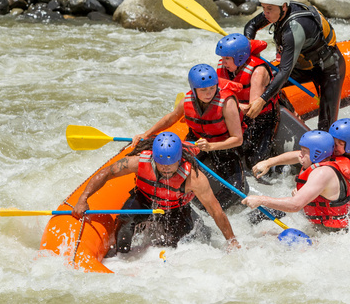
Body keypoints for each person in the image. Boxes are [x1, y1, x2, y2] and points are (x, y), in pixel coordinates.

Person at [72, 132, 240, 254]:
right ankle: (122, 258)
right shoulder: (139, 162)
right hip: (144, 199)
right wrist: (83, 198)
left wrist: (231, 240)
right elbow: (106, 173)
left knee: (177, 245)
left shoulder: (194, 178)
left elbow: (215, 210)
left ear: (180, 159)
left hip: (175, 208)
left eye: (170, 165)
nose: (165, 169)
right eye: (161, 164)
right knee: (123, 228)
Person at [132, 64, 247, 211]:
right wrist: (146, 134)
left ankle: (207, 210)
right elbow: (170, 119)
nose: (209, 93)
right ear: (194, 90)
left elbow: (238, 139)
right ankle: (185, 204)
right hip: (196, 142)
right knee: (175, 175)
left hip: (224, 146)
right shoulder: (187, 100)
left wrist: (211, 146)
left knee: (235, 191)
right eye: (203, 90)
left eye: (212, 88)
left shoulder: (227, 103)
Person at [243, 0, 346, 131]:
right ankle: (287, 115)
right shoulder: (276, 11)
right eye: (263, 8)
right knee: (264, 80)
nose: (265, 13)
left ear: (284, 6)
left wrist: (262, 100)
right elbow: (251, 26)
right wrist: (250, 45)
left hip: (329, 70)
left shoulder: (293, 29)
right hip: (303, 66)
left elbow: (285, 72)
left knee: (326, 127)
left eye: (269, 9)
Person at [243, 130, 350, 231]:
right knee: (257, 216)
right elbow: (294, 156)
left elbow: (295, 205)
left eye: (304, 151)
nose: (300, 155)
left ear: (317, 153)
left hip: (330, 231)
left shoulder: (322, 173)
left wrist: (261, 200)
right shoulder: (317, 159)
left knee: (269, 235)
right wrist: (269, 162)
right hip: (315, 220)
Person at [215, 33, 280, 169]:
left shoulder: (258, 71)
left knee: (254, 162)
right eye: (222, 57)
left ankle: (276, 163)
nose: (223, 61)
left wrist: (229, 106)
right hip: (236, 115)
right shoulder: (224, 67)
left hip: (262, 118)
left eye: (227, 58)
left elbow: (252, 111)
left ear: (240, 58)